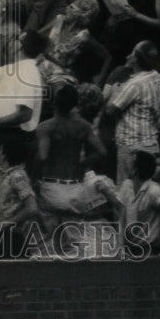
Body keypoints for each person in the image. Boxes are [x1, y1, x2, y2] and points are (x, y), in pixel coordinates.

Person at [34, 83, 108, 234]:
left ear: (54, 103)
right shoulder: (84, 126)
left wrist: (33, 179)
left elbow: (42, 156)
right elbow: (101, 151)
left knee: (48, 241)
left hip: (51, 188)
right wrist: (82, 163)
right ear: (75, 104)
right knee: (73, 244)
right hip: (76, 190)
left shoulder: (46, 127)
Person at [0, 30, 45, 170]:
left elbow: (25, 114)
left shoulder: (27, 73)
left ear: (20, 46)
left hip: (11, 139)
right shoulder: (17, 68)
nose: (11, 42)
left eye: (16, 39)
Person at [105, 41, 160, 184]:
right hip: (151, 143)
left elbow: (110, 110)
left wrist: (115, 88)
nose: (128, 56)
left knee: (127, 192)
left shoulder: (134, 84)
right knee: (144, 192)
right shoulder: (158, 78)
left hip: (131, 145)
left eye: (132, 53)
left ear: (137, 59)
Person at [117, 150, 160, 257]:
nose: (127, 162)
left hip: (150, 251)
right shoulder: (126, 186)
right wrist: (120, 246)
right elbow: (122, 218)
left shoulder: (154, 190)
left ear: (135, 170)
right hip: (130, 249)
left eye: (131, 160)